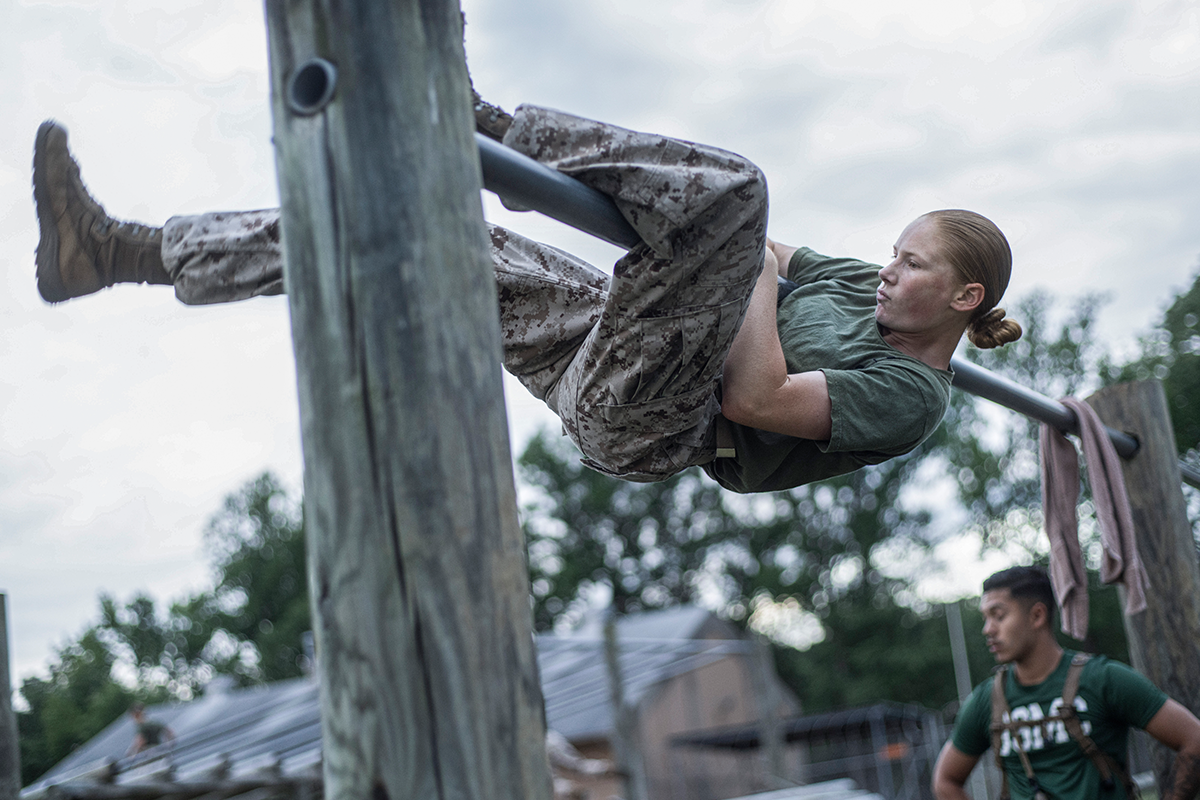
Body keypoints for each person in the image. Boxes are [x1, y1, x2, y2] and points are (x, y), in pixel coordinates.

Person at [31, 92, 1022, 493]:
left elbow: (755, 397)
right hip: (610, 343)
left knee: (741, 191)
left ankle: (481, 122)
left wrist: (753, 272)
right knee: (434, 236)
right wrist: (746, 259)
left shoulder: (910, 393)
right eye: (892, 251)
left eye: (913, 264)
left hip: (659, 420)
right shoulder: (856, 283)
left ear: (964, 296)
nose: (888, 268)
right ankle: (118, 252)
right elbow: (738, 244)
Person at [932, 566, 1200, 799]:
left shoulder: (1102, 679)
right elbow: (945, 781)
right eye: (985, 618)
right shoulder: (987, 699)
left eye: (998, 615)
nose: (988, 629)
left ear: (1037, 616)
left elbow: (1194, 738)